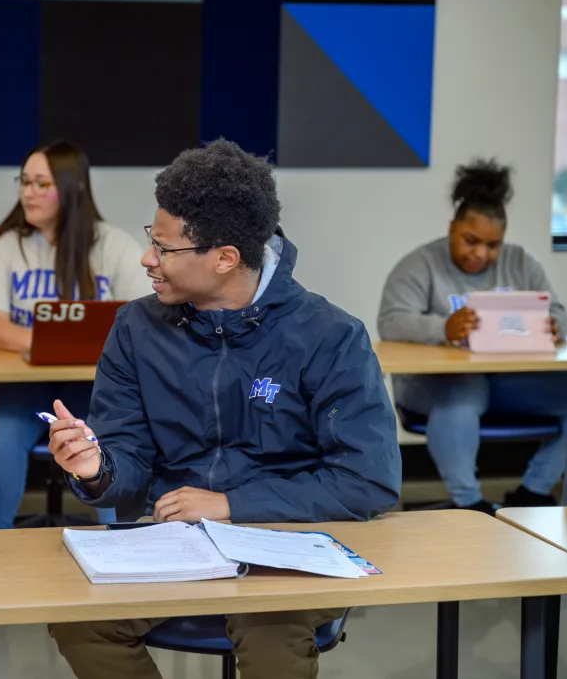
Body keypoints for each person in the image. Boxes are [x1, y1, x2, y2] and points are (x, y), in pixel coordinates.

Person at [42, 138, 402, 679]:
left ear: (225, 258)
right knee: (80, 622)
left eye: (164, 248)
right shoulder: (136, 328)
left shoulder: (331, 336)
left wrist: (232, 504)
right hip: (175, 540)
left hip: (290, 541)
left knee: (270, 635)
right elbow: (127, 461)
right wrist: (97, 469)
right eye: (151, 239)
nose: (147, 259)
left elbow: (367, 480)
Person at [377, 158, 567, 514]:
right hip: (434, 386)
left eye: (492, 245)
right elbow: (391, 321)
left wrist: (554, 326)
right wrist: (443, 328)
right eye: (470, 241)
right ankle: (470, 503)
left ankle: (533, 491)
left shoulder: (521, 262)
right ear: (452, 228)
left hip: (507, 383)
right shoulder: (419, 264)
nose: (480, 254)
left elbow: (559, 313)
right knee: (465, 391)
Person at [0, 140, 152, 530]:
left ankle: (124, 543)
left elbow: (145, 316)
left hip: (94, 388)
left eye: (41, 184)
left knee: (109, 438)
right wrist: (49, 345)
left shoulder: (112, 245)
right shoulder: (7, 247)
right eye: (24, 182)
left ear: (73, 188)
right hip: (14, 388)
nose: (28, 193)